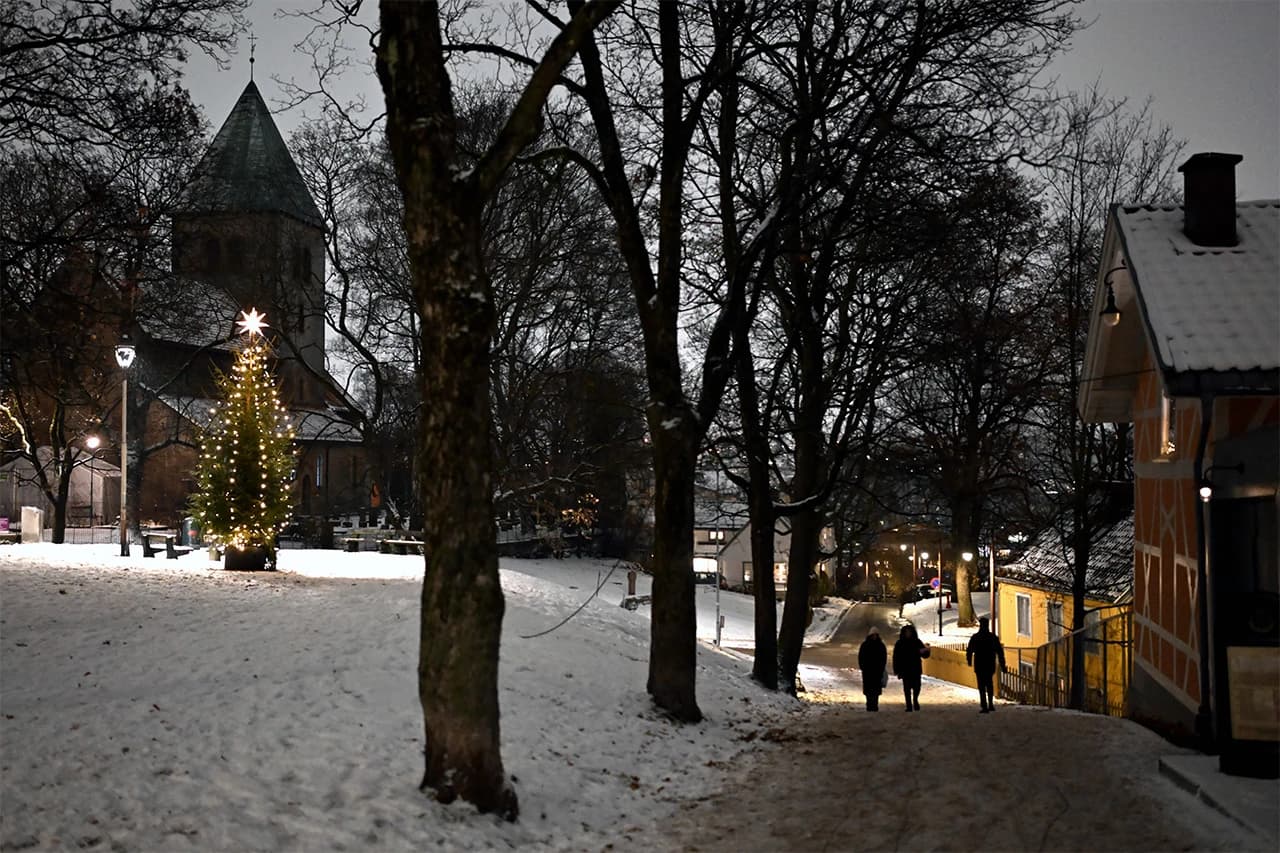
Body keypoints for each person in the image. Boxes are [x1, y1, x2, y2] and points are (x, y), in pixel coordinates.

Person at [966, 615, 1007, 713]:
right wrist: (1002, 665)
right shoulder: (993, 638)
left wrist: (969, 661)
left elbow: (970, 650)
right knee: (989, 684)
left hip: (979, 663)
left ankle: (984, 705)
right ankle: (990, 704)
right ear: (987, 625)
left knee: (981, 685)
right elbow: (1000, 652)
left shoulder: (976, 637)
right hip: (989, 663)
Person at [892, 624, 930, 711]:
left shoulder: (917, 642)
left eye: (909, 632)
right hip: (905, 669)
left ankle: (915, 700)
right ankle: (909, 705)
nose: (908, 634)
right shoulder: (899, 643)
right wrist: (896, 669)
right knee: (907, 688)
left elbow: (924, 654)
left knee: (917, 687)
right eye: (906, 632)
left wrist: (926, 651)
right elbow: (896, 657)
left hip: (915, 668)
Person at [857, 627, 888, 711]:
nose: (874, 637)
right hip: (868, 671)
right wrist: (863, 667)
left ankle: (874, 705)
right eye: (873, 635)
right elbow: (861, 657)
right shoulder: (865, 645)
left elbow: (883, 658)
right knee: (869, 689)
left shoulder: (881, 645)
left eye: (876, 635)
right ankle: (869, 704)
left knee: (875, 689)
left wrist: (881, 667)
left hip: (877, 671)